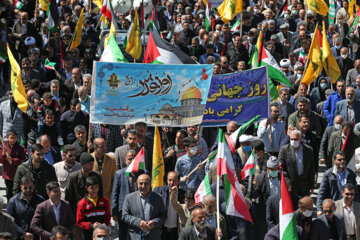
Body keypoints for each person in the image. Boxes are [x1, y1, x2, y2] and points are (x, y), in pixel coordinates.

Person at [112, 150, 147, 239]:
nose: (132, 161)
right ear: (125, 161)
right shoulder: (119, 174)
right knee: (123, 233)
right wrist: (114, 211)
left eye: (134, 159)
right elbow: (115, 193)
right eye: (129, 159)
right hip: (123, 210)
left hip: (138, 209)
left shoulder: (144, 173)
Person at [122, 174, 166, 240]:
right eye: (141, 183)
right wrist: (138, 222)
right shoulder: (129, 198)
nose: (143, 186)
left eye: (146, 183)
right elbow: (124, 216)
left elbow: (163, 216)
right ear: (137, 184)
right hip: (135, 236)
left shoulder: (158, 197)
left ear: (150, 184)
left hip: (153, 236)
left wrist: (154, 222)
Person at [317, 150, 357, 215]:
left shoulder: (351, 174)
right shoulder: (328, 174)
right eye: (340, 159)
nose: (342, 161)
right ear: (335, 161)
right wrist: (319, 209)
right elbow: (321, 193)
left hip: (348, 207)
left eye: (344, 159)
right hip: (333, 207)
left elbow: (356, 193)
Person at [7, 175, 44, 240]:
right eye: (25, 188)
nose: (28, 190)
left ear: (34, 186)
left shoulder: (40, 200)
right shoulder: (13, 201)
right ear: (21, 187)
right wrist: (23, 234)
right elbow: (10, 221)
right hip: (19, 237)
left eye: (30, 188)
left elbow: (44, 220)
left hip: (36, 237)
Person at [279, 130, 314, 197]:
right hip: (290, 186)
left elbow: (311, 168)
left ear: (300, 139)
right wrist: (288, 183)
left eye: (296, 139)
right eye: (292, 139)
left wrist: (311, 186)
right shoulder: (284, 150)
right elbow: (282, 169)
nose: (293, 141)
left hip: (304, 186)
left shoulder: (309, 150)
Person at [154, 171, 186, 240]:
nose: (171, 183)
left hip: (176, 231)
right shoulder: (159, 191)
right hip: (162, 230)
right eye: (169, 180)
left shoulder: (183, 194)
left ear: (178, 182)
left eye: (174, 180)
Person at [0, 130, 26, 200]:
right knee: (9, 192)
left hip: (17, 173)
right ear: (7, 137)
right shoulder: (3, 147)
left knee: (17, 191)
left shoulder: (20, 148)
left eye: (14, 138)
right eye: (11, 138)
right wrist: (3, 154)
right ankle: (10, 207)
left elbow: (23, 160)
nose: (13, 140)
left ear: (17, 138)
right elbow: (1, 161)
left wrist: (13, 161)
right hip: (7, 174)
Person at [91, 138, 116, 202]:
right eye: (102, 147)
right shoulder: (90, 159)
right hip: (93, 197)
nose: (105, 148)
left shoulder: (111, 159)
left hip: (107, 196)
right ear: (95, 148)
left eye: (105, 146)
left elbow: (114, 177)